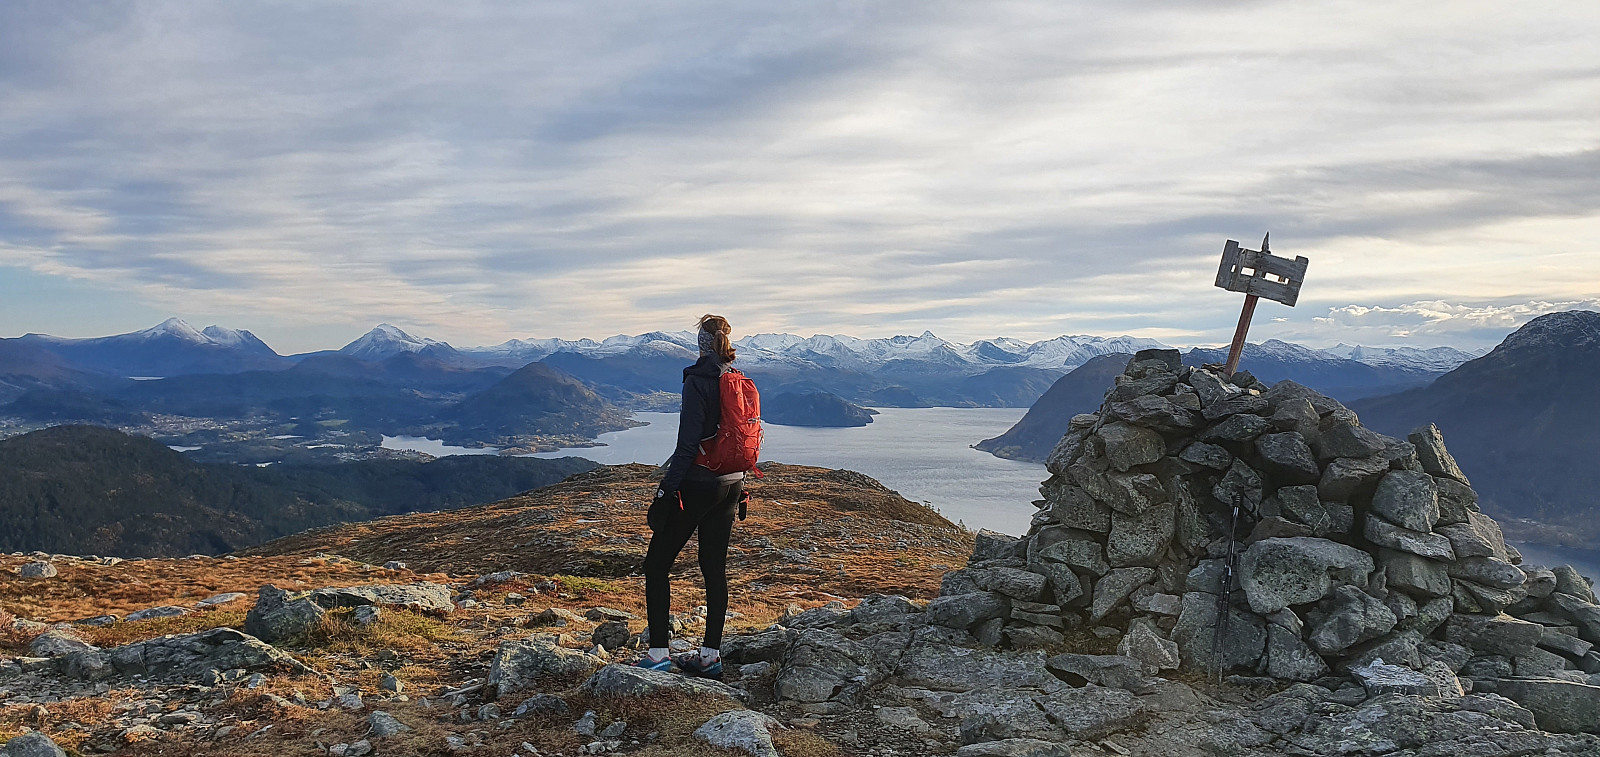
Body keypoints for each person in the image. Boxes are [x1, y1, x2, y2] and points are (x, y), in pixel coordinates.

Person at [636, 314, 749, 679]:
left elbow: (687, 445)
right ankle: (710, 656)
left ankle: (657, 656)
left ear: (700, 345)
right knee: (713, 568)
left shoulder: (699, 382)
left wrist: (665, 492)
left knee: (656, 565)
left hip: (699, 484)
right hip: (733, 483)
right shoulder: (737, 379)